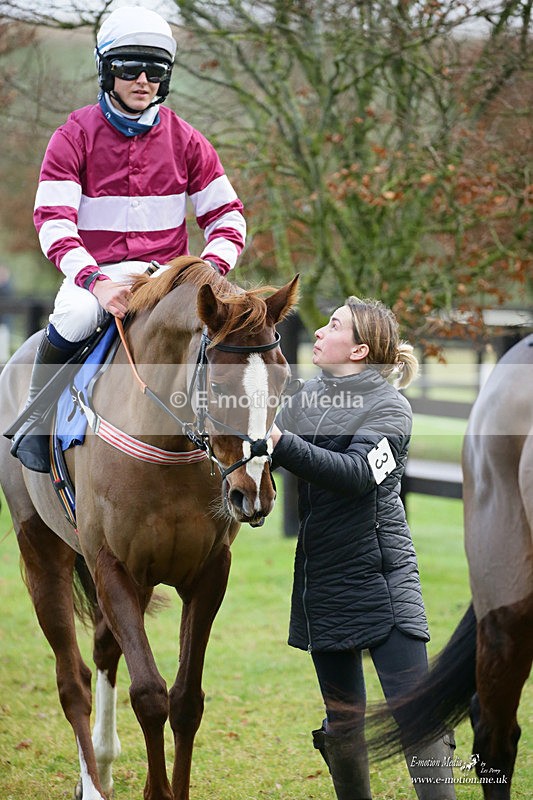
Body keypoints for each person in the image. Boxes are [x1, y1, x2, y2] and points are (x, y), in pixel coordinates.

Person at [8, 5, 246, 472]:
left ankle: (244, 446)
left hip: (171, 278)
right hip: (98, 276)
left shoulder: (189, 141)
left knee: (237, 330)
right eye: (128, 67)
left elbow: (228, 217)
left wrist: (208, 273)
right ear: (105, 70)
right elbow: (53, 221)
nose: (143, 79)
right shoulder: (72, 135)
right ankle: (37, 423)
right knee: (74, 317)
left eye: (155, 69)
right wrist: (96, 283)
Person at [270, 297, 456, 800]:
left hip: (384, 581)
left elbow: (355, 476)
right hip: (324, 584)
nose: (321, 332)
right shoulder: (305, 400)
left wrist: (277, 442)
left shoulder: (391, 409)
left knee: (418, 718)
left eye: (333, 326)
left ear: (359, 350)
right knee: (343, 725)